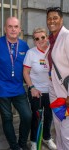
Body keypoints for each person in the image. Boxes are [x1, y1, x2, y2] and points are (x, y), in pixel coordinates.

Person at [0, 17, 32, 150]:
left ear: (20, 29)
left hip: (18, 88)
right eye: (10, 26)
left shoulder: (24, 46)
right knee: (7, 118)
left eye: (15, 26)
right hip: (2, 88)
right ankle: (14, 146)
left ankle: (22, 143)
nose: (13, 29)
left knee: (27, 116)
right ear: (5, 28)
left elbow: (29, 67)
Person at [23, 28, 56, 150]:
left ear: (47, 37)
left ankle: (47, 138)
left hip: (52, 92)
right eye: (37, 38)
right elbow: (25, 72)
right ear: (34, 41)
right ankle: (34, 141)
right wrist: (32, 88)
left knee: (49, 116)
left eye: (42, 37)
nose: (40, 40)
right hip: (36, 91)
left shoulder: (53, 51)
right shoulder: (31, 53)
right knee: (36, 117)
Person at [46, 7, 69, 150]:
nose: (52, 21)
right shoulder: (52, 39)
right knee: (59, 127)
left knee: (66, 132)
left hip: (65, 91)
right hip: (54, 89)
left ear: (61, 19)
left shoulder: (67, 37)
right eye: (49, 18)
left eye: (55, 18)